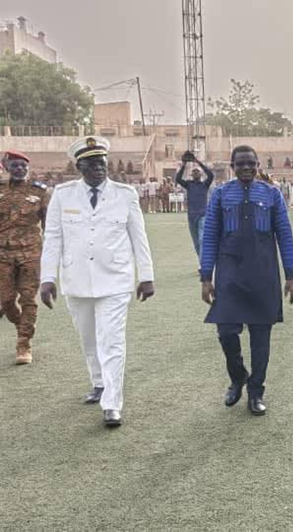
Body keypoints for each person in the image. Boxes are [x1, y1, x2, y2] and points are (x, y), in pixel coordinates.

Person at [39, 136, 156, 427]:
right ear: (78, 167)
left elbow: (138, 237)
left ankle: (112, 403)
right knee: (88, 338)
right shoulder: (63, 195)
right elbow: (52, 237)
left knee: (111, 341)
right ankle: (99, 382)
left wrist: (146, 276)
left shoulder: (125, 194)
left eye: (102, 163)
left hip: (115, 280)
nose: (98, 169)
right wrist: (47, 277)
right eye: (91, 164)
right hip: (76, 279)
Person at [200, 145, 293, 416]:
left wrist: (291, 275)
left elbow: (285, 235)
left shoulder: (272, 194)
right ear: (232, 166)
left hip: (263, 273)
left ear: (258, 166)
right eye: (240, 164)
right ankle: (237, 376)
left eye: (251, 164)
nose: (246, 168)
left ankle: (256, 392)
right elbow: (209, 237)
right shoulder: (220, 194)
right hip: (230, 273)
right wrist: (206, 277)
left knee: (261, 337)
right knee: (226, 332)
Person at [0, 151, 49, 365]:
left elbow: (49, 224)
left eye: (23, 166)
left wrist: (51, 251)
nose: (19, 169)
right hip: (3, 252)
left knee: (28, 298)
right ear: (6, 168)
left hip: (31, 252)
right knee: (6, 300)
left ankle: (24, 344)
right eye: (15, 165)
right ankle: (23, 325)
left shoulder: (39, 191)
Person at [174, 150, 215, 261]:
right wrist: (184, 164)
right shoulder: (189, 184)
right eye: (194, 172)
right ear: (192, 175)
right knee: (196, 243)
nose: (196, 173)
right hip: (191, 216)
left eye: (198, 172)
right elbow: (178, 179)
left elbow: (210, 175)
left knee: (202, 239)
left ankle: (203, 264)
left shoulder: (205, 184)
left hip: (202, 215)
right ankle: (201, 261)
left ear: (201, 175)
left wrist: (198, 162)